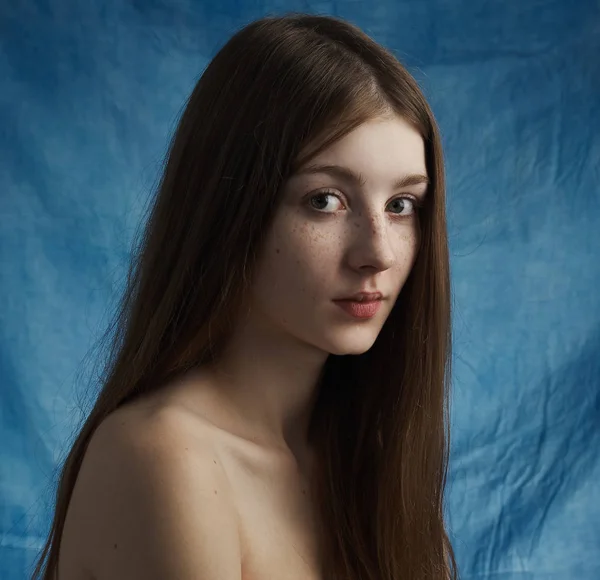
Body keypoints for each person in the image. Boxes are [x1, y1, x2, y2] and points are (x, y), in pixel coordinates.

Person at [32, 12, 458, 580]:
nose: (376, 252)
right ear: (230, 208)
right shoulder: (165, 457)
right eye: (325, 200)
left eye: (401, 205)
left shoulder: (362, 450)